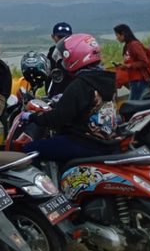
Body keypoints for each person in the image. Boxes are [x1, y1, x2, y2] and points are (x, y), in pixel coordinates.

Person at [21, 33, 118, 162]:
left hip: (84, 141)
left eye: (65, 56)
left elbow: (57, 119)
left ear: (77, 55)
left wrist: (31, 117)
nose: (63, 61)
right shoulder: (105, 79)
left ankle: (46, 182)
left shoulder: (81, 83)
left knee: (28, 150)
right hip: (104, 141)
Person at [114, 23, 150, 100]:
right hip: (134, 81)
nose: (116, 38)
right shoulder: (127, 46)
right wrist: (123, 66)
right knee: (135, 105)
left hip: (139, 81)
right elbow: (131, 63)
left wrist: (128, 66)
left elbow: (145, 62)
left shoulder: (134, 45)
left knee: (133, 106)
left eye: (117, 35)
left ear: (123, 34)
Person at [46, 22, 73, 97]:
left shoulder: (76, 52)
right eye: (60, 37)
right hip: (54, 93)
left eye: (67, 37)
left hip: (71, 92)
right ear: (53, 36)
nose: (63, 39)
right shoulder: (52, 51)